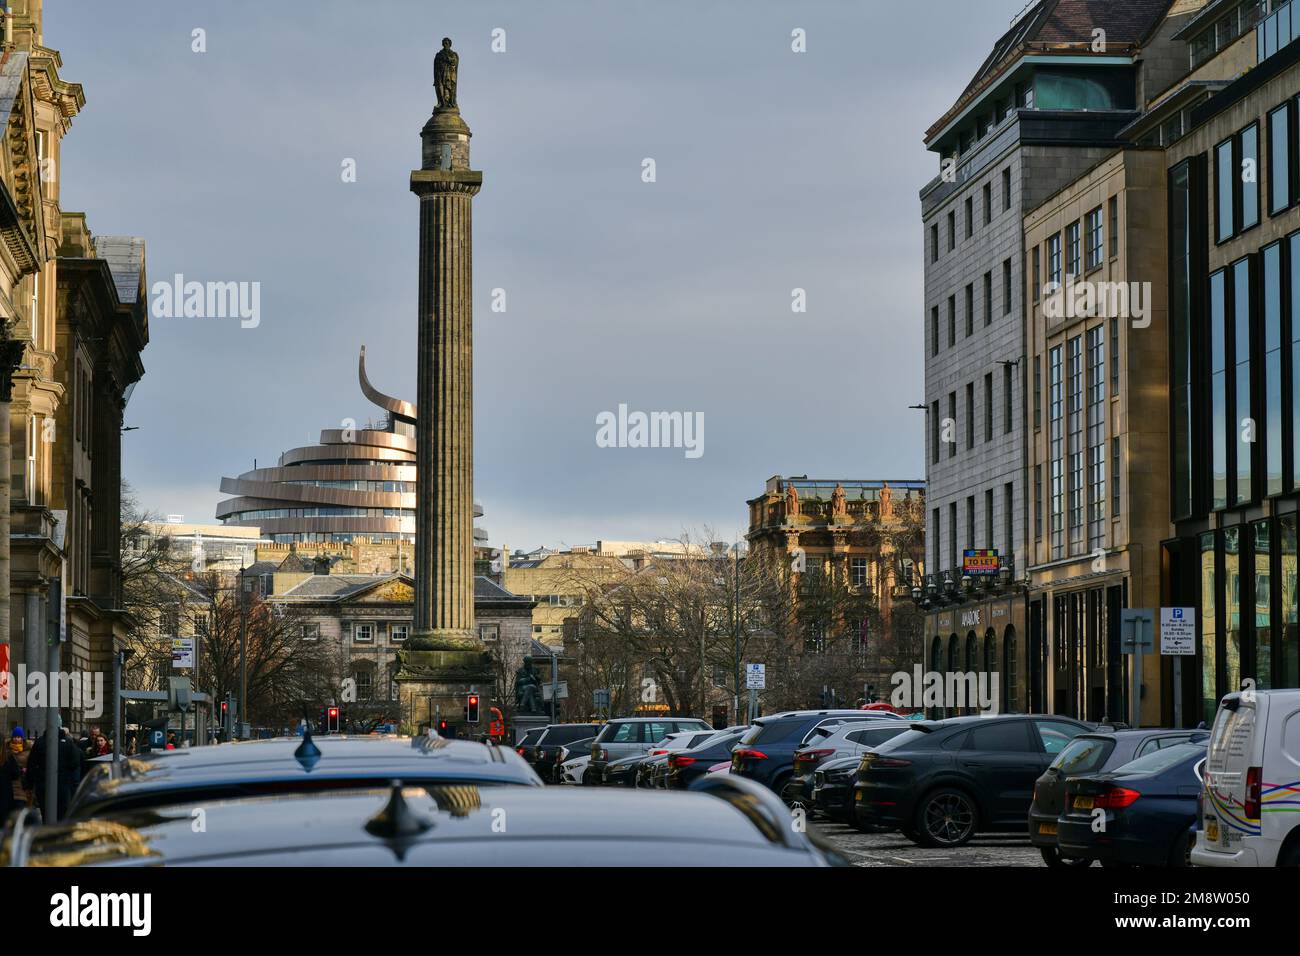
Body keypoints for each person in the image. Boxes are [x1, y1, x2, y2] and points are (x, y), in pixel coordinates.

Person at [24, 726, 84, 822]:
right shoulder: (68, 743)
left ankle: (48, 833)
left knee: (45, 813)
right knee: (62, 813)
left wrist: (29, 784)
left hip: (43, 783)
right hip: (62, 784)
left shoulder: (40, 742)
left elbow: (31, 764)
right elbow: (75, 762)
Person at [0, 727, 29, 823]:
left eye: (19, 737)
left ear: (22, 738)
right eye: (15, 737)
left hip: (20, 787)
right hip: (9, 787)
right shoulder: (7, 752)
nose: (17, 739)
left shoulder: (27, 750)